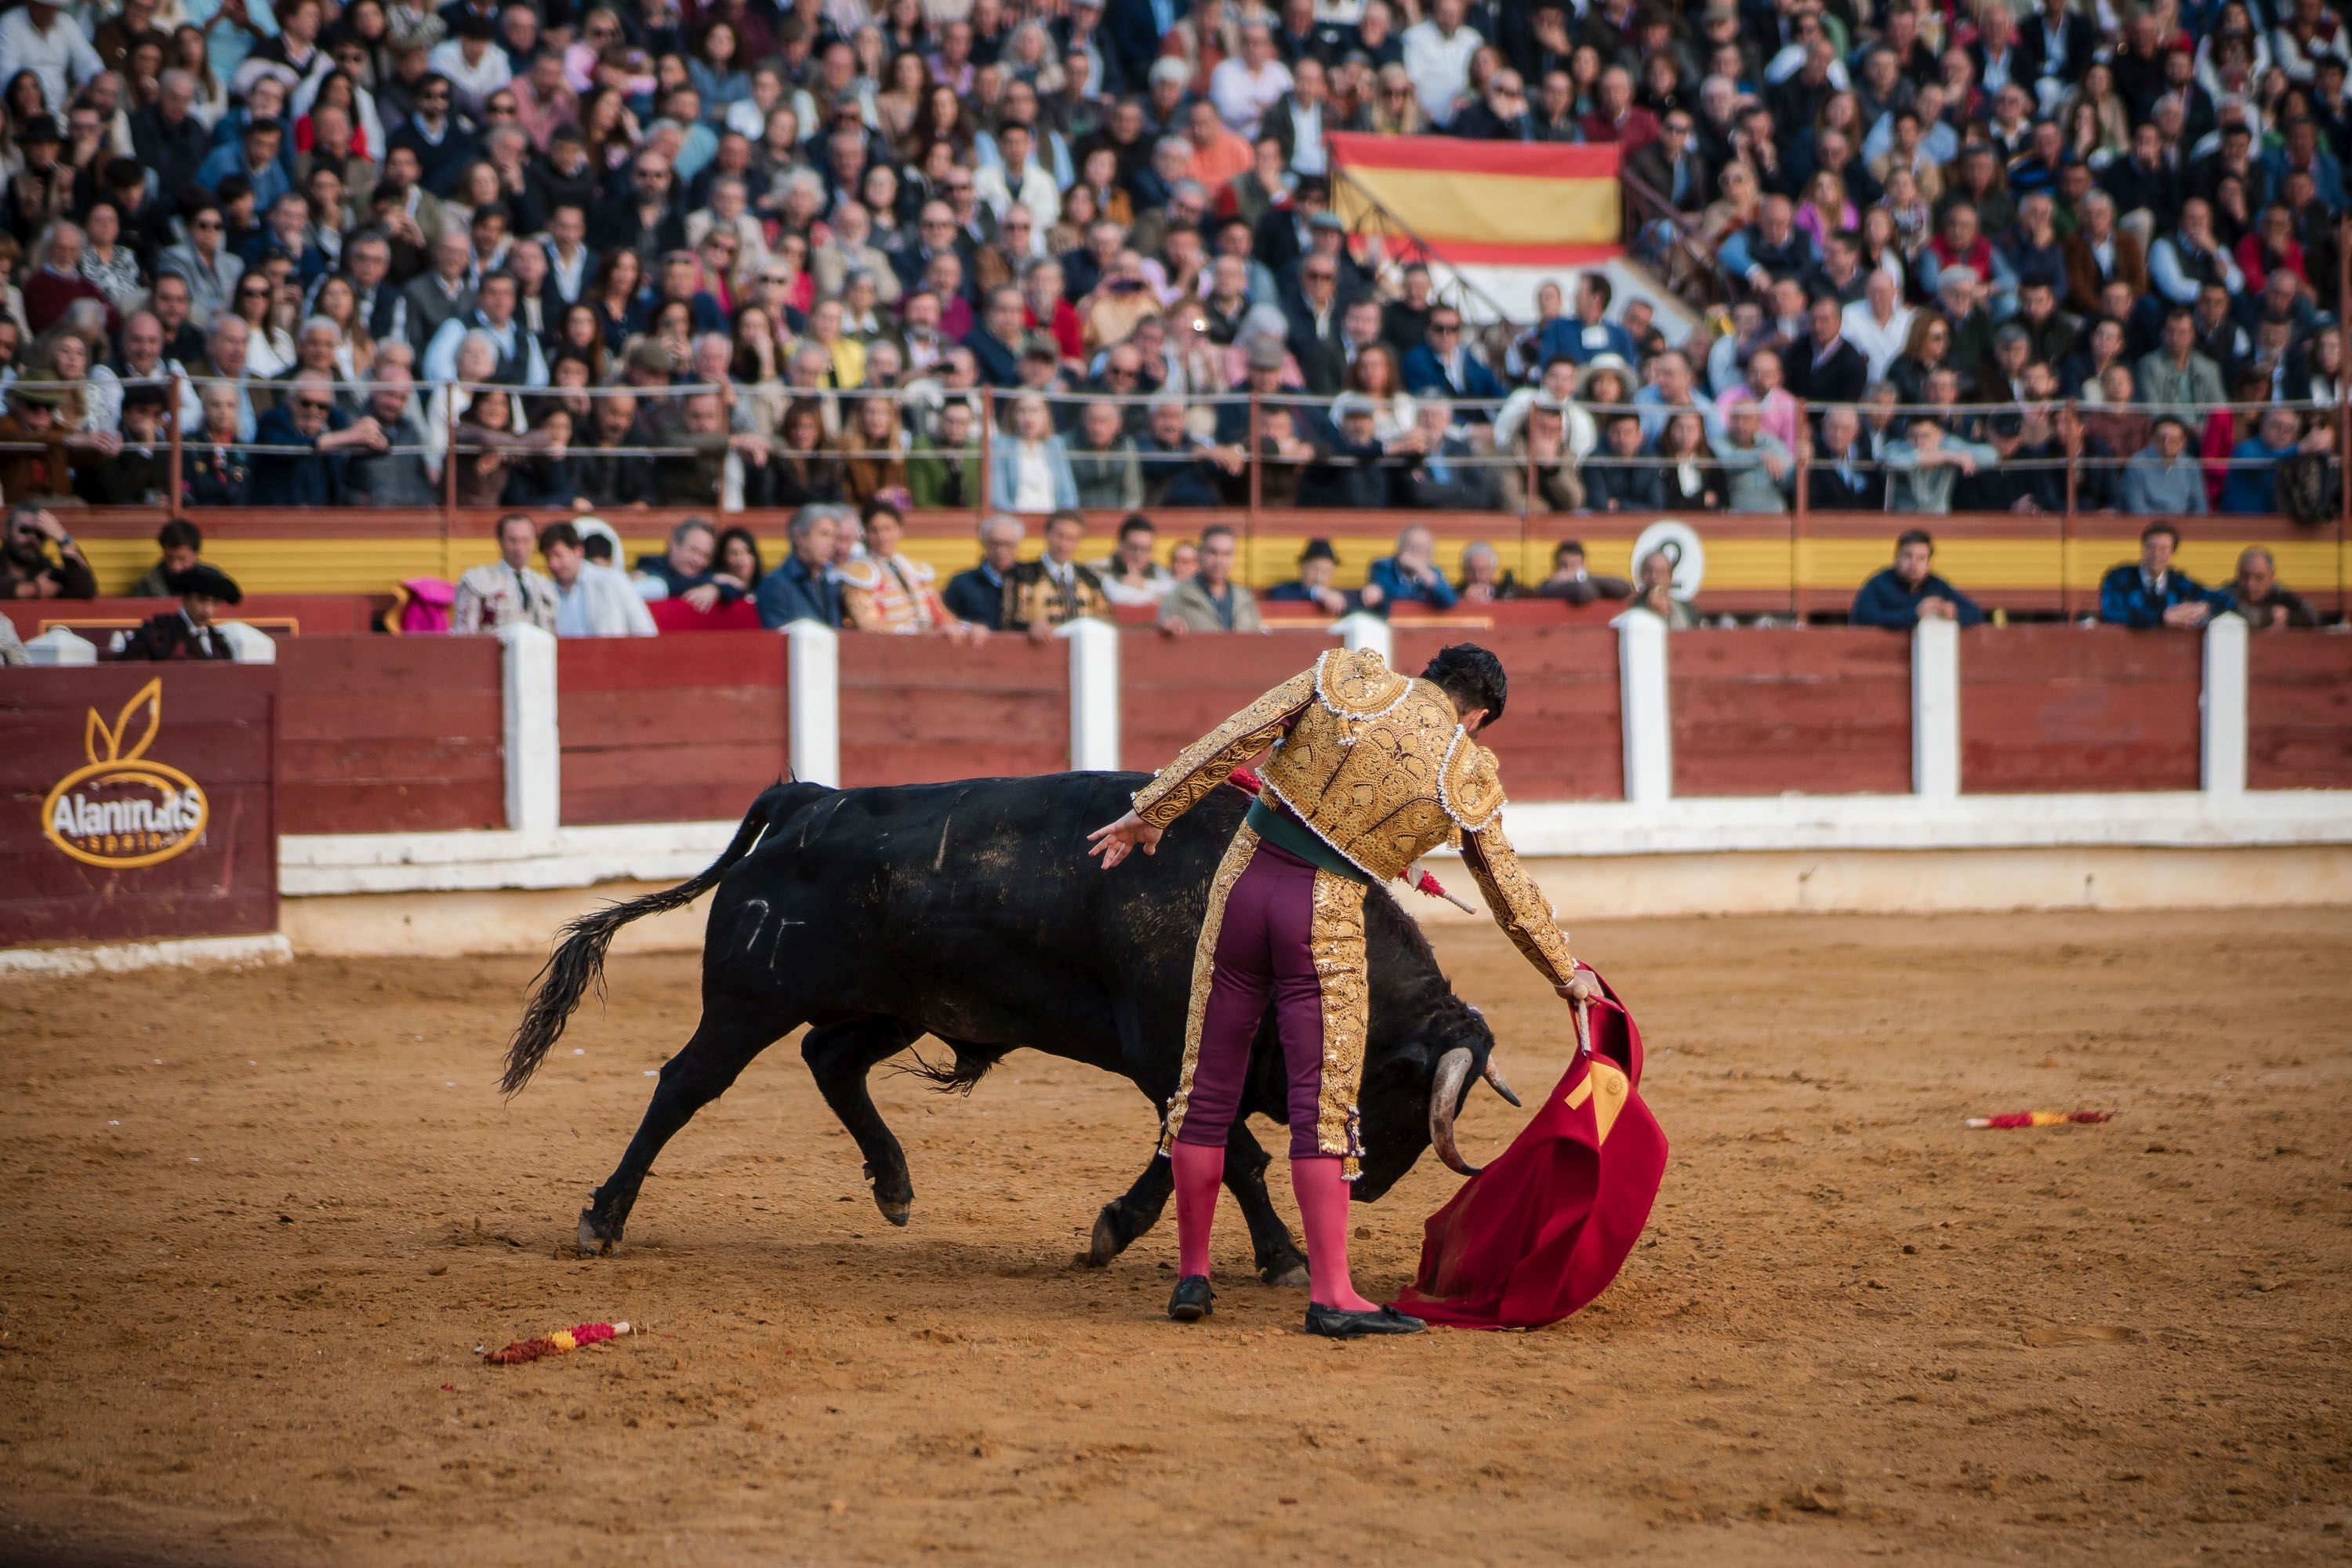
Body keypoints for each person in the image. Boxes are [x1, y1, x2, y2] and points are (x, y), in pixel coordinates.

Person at [1086, 642, 1595, 1338]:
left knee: (1204, 1093)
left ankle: (1194, 1276)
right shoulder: (1464, 770)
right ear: (1475, 716)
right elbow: (1507, 888)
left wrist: (1154, 810)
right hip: (1318, 916)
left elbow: (1237, 735)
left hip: (1241, 885)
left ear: (1429, 672)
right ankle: (1331, 1294)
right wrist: (1565, 971)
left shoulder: (1347, 678)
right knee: (1320, 1103)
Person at [2098, 521, 2231, 630]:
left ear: (2172, 553)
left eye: (2163, 549)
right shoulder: (2119, 577)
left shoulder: (2178, 581)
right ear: (2142, 549)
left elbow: (2225, 601)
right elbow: (2110, 614)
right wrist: (2161, 618)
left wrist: (2205, 608)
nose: (2156, 554)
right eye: (2151, 547)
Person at [1003, 508, 1111, 640]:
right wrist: (1030, 627)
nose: (1063, 545)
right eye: (1059, 536)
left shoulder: (1089, 578)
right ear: (1047, 534)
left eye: (1071, 539)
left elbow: (1105, 622)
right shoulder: (1021, 575)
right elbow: (1008, 622)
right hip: (1038, 653)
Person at [1850, 530, 1987, 630]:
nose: (1914, 564)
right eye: (1908, 556)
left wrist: (1953, 612)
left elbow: (1975, 613)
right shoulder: (1879, 584)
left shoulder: (1936, 585)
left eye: (1921, 558)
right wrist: (1914, 614)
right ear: (1896, 558)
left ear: (1929, 563)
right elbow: (1864, 618)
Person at [544, 520, 658, 637]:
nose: (553, 564)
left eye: (558, 555)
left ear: (578, 552)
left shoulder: (613, 581)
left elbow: (645, 632)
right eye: (548, 557)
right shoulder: (544, 590)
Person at [452, 511, 560, 633]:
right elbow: (464, 634)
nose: (520, 548)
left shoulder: (544, 585)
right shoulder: (477, 579)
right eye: (513, 540)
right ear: (500, 541)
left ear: (534, 542)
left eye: (526, 540)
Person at [111, 564, 244, 661]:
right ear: (185, 598)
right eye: (202, 601)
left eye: (216, 603)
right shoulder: (157, 634)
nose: (208, 611)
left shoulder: (219, 643)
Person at [1159, 524, 1261, 634]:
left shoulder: (1244, 597)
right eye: (1213, 553)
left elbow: (1256, 639)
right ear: (1200, 554)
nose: (1219, 561)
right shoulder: (1179, 595)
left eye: (1227, 554)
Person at [754, 505, 845, 628]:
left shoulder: (833, 583)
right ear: (800, 538)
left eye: (834, 536)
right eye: (824, 534)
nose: (832, 543)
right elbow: (776, 638)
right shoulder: (774, 585)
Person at [2, 502, 96, 600]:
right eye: (24, 530)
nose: (32, 538)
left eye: (40, 534)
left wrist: (63, 539)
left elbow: (85, 590)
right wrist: (33, 589)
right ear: (6, 531)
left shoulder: (49, 574)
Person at [2119, 417, 2209, 517]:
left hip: (2184, 526)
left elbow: (2200, 507)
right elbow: (2136, 508)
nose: (2166, 444)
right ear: (2152, 439)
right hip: (2146, 526)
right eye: (2161, 439)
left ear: (2183, 442)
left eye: (2173, 440)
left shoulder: (2191, 466)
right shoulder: (2137, 464)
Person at [1366, 523, 1457, 610]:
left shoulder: (1433, 573)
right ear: (1399, 548)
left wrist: (1422, 572)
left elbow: (1449, 601)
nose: (1416, 553)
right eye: (1412, 547)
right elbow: (1396, 599)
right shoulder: (1383, 567)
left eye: (1422, 549)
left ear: (1430, 556)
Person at [1094, 513, 1176, 608]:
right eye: (1134, 548)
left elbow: (1175, 591)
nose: (1139, 555)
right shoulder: (1100, 568)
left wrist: (1144, 585)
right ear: (1120, 545)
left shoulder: (1158, 571)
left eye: (1146, 549)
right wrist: (1154, 596)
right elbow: (1117, 596)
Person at [2227, 547, 2316, 632]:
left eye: (2259, 578)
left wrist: (2287, 617)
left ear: (2271, 577)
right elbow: (2237, 617)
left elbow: (2312, 616)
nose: (2250, 584)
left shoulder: (2280, 593)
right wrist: (2269, 616)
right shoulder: (2227, 593)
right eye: (2245, 576)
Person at [1530, 541, 1632, 605]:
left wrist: (1578, 576)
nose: (1569, 570)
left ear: (1585, 567)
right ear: (1554, 567)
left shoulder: (1590, 581)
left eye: (1574, 566)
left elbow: (1625, 587)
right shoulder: (1547, 586)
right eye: (1564, 566)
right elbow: (1582, 591)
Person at [128, 519, 207, 599]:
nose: (175, 567)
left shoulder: (212, 585)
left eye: (182, 559)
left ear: (196, 555)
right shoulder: (144, 588)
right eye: (169, 558)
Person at [1628, 547, 1698, 629]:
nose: (1654, 577)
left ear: (1670, 577)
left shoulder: (1685, 609)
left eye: (1661, 572)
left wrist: (1666, 612)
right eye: (1649, 571)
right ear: (1642, 575)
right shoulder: (1634, 608)